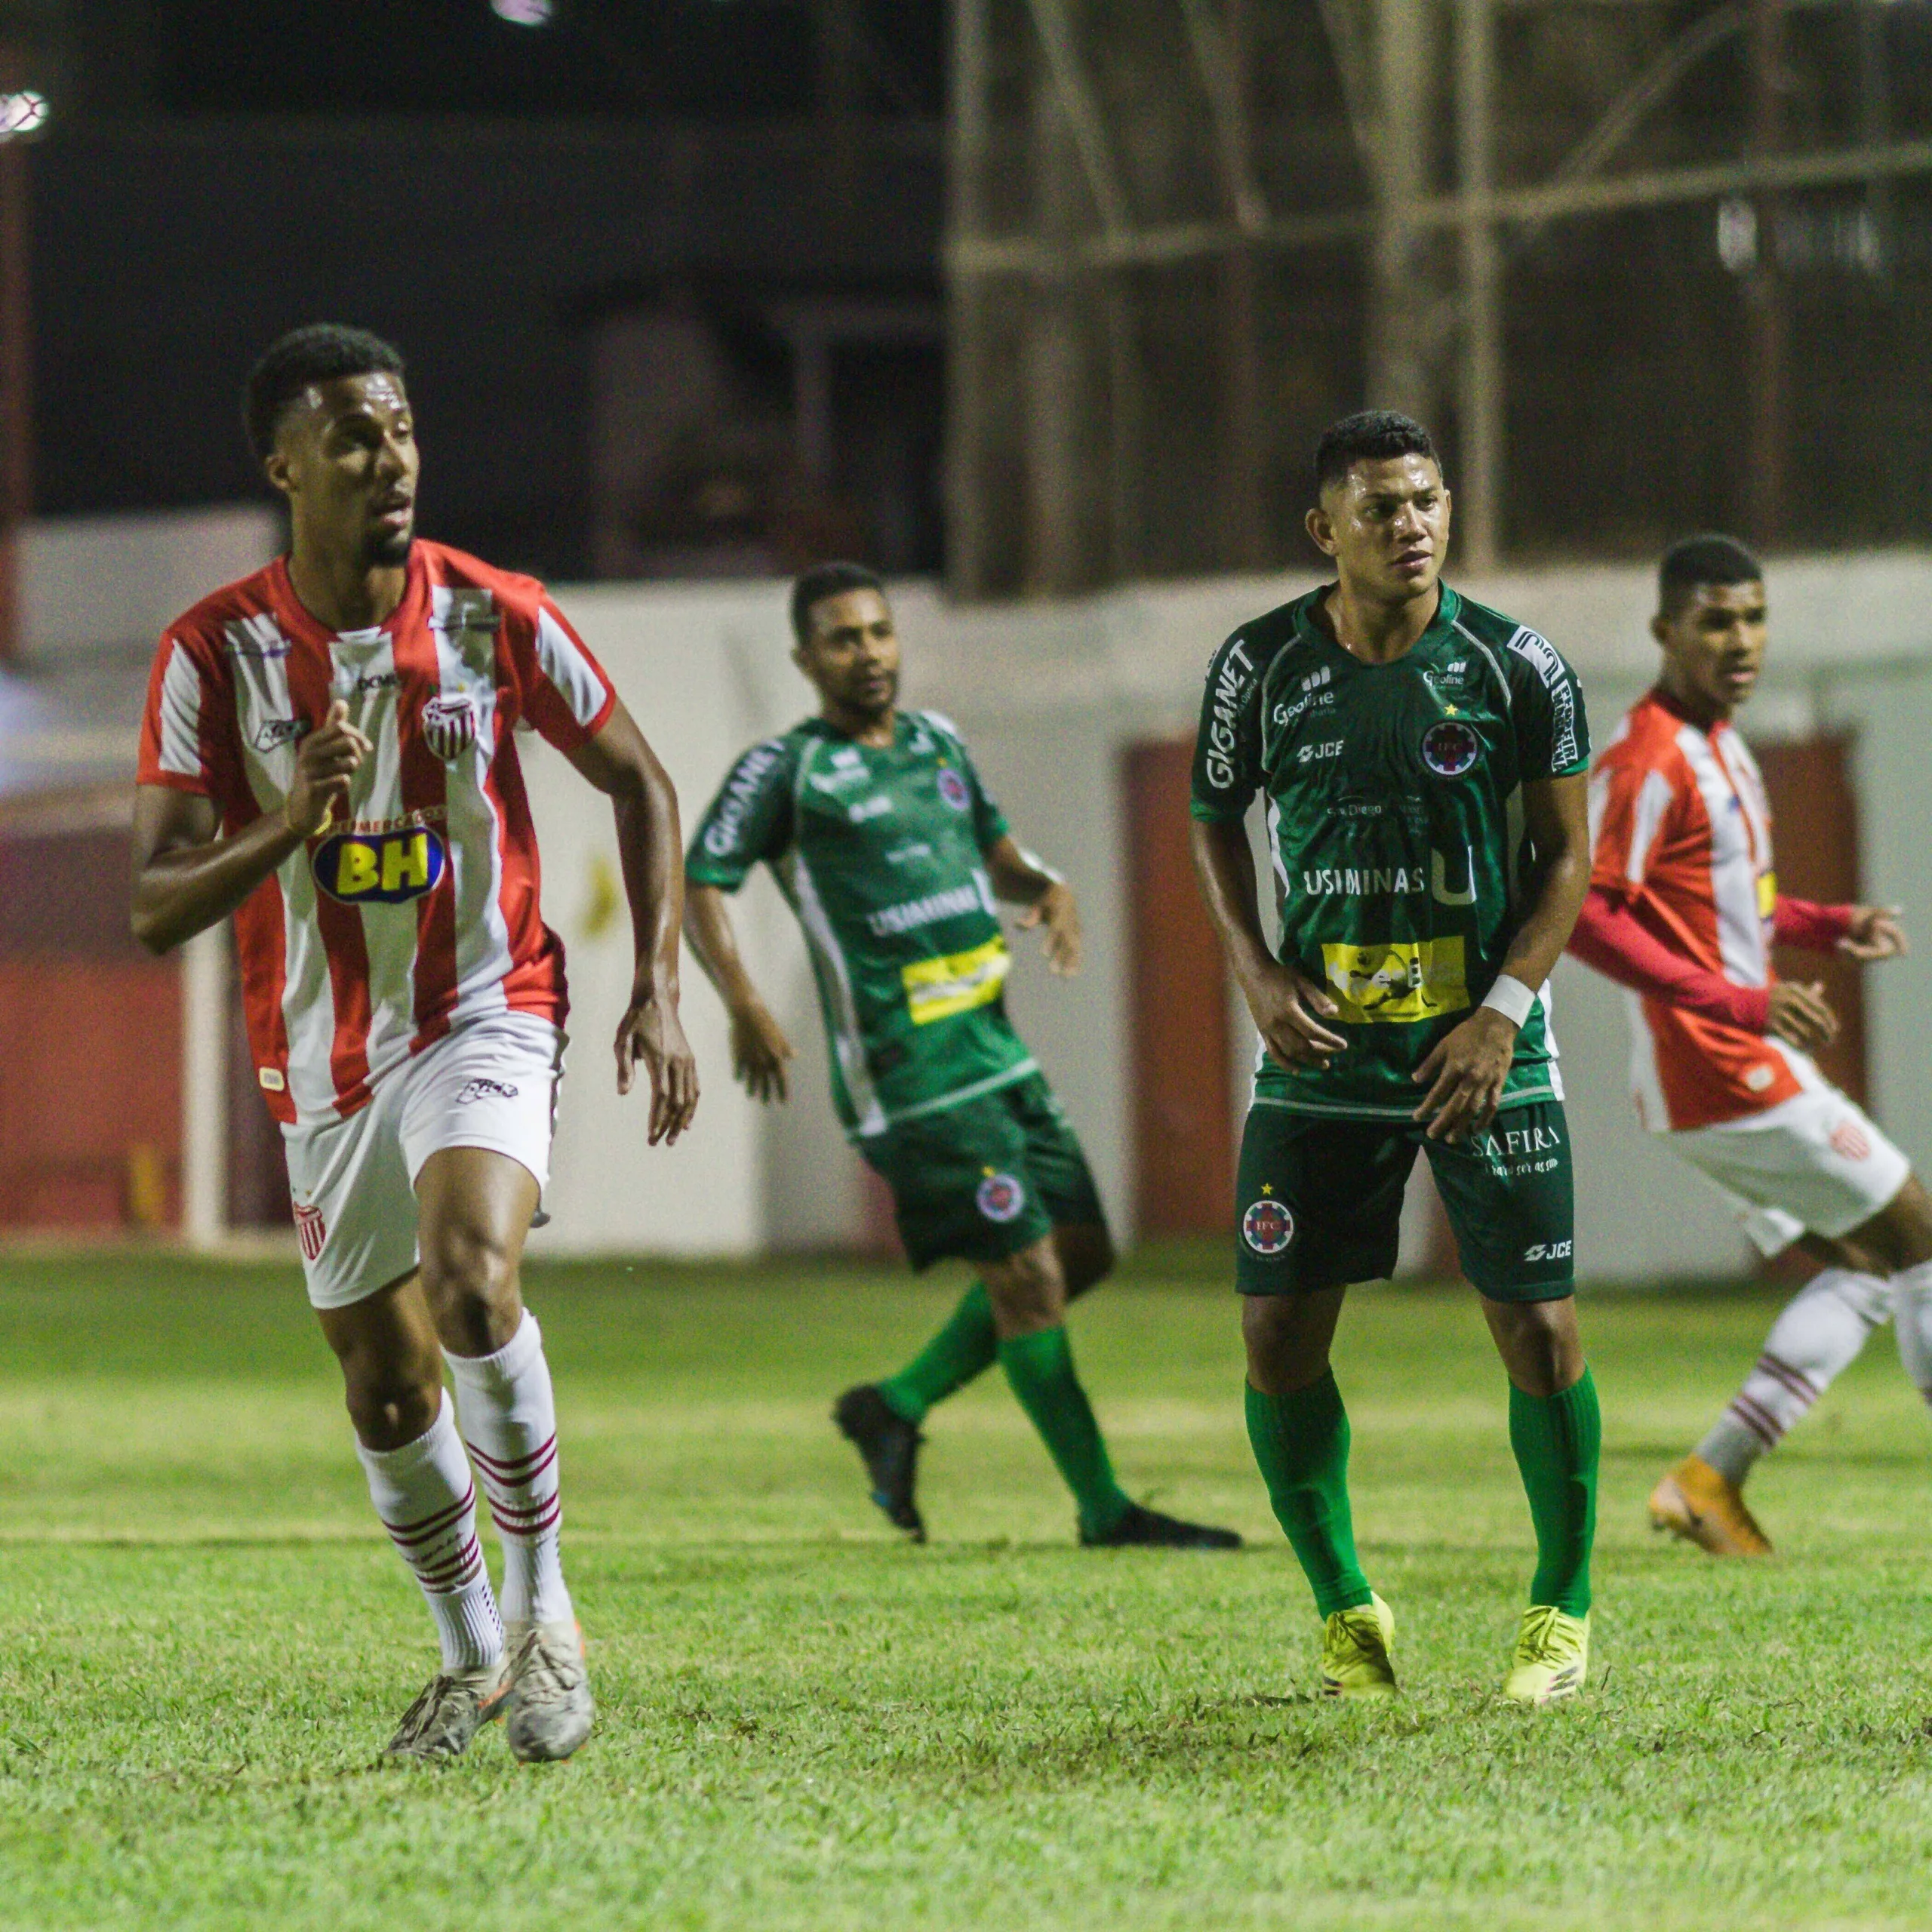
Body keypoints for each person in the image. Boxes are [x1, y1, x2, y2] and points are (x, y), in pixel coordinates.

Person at [131, 324, 700, 1761]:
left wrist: (663, 986)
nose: (390, 461)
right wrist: (283, 824)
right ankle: (469, 1658)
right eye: (352, 439)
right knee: (385, 1385)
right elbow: (151, 904)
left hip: (487, 1003)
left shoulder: (494, 614)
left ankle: (550, 1617)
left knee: (470, 1281)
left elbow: (640, 779)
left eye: (399, 430)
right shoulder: (213, 652)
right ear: (285, 467)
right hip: (322, 1056)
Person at [683, 562, 1239, 1552]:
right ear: (805, 660)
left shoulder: (939, 743)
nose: (869, 654)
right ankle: (1104, 1511)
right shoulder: (786, 772)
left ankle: (895, 1404)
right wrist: (742, 1002)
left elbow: (997, 853)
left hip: (996, 1052)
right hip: (912, 1077)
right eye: (844, 639)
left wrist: (1049, 886)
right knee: (1027, 1276)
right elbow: (703, 883)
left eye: (880, 633)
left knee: (1083, 1253)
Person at [1189, 411, 1600, 1704]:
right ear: (1327, 531)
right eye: (1380, 509)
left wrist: (1503, 1012)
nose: (1410, 526)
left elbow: (1568, 860)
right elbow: (1211, 819)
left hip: (1481, 1044)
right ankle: (1346, 1608)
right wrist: (1254, 970)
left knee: (1537, 1331)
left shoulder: (1519, 666)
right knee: (1274, 1337)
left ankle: (1561, 1615)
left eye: (1426, 502)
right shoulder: (1256, 666)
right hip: (1323, 1050)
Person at [1570, 533, 1932, 1555]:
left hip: (1718, 1064)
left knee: (1867, 1264)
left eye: (1755, 617)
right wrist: (1734, 1002)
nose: (1743, 640)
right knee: (1919, 1238)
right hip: (1718, 1063)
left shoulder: (1721, 744)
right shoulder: (1646, 758)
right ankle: (1709, 1481)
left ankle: (1709, 1484)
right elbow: (1588, 914)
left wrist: (1820, 924)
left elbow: (1725, 907)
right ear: (1665, 631)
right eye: (1717, 620)